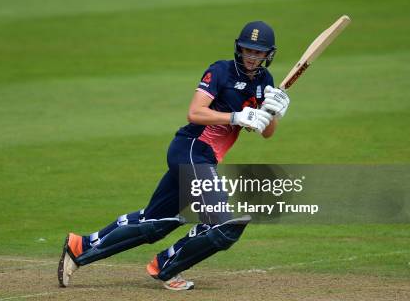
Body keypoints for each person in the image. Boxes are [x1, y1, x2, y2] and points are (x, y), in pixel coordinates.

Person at [58, 21, 290, 290]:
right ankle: (167, 265)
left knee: (155, 223)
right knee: (222, 224)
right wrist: (236, 116)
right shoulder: (220, 71)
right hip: (191, 148)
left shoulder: (265, 82)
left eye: (258, 52)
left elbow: (266, 132)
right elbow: (195, 112)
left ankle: (80, 246)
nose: (252, 56)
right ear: (239, 48)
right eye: (248, 50)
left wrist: (273, 111)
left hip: (204, 157)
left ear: (267, 55)